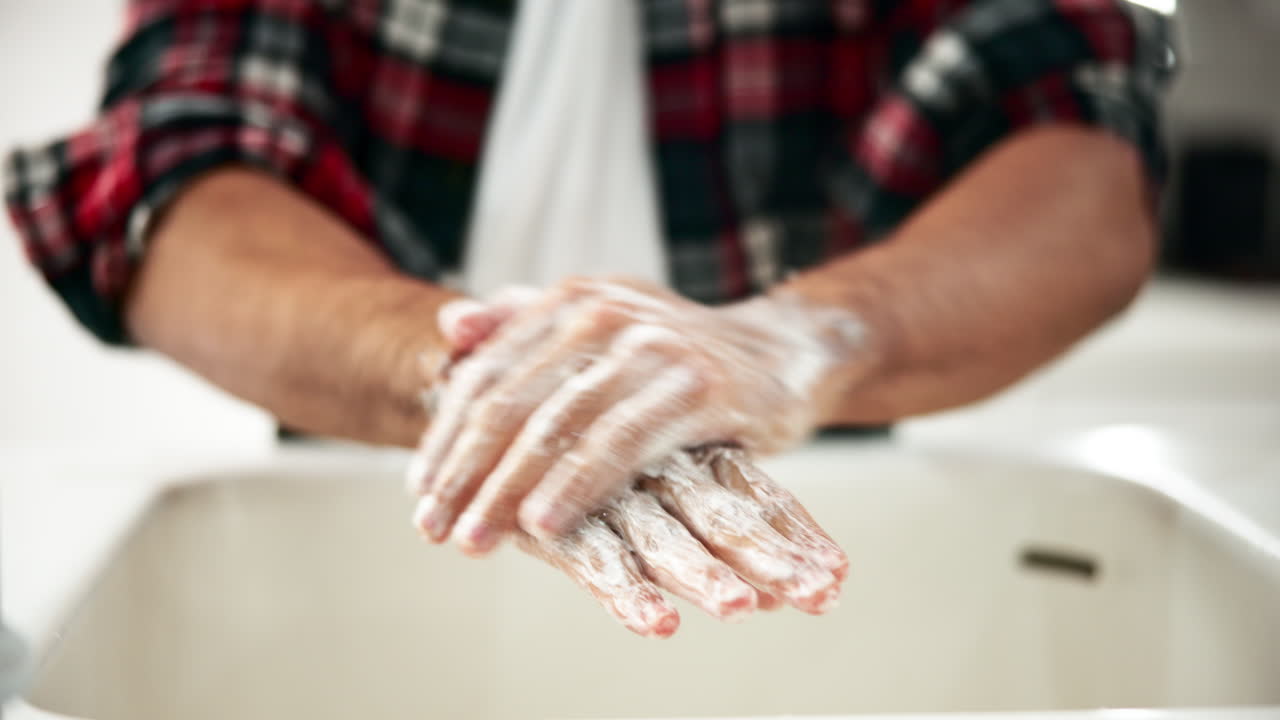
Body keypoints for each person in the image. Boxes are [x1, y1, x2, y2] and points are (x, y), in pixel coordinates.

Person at [4, 0, 1171, 636]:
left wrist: (792, 343)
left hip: (785, 526)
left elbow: (1075, 154)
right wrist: (481, 377)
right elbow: (178, 176)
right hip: (380, 521)